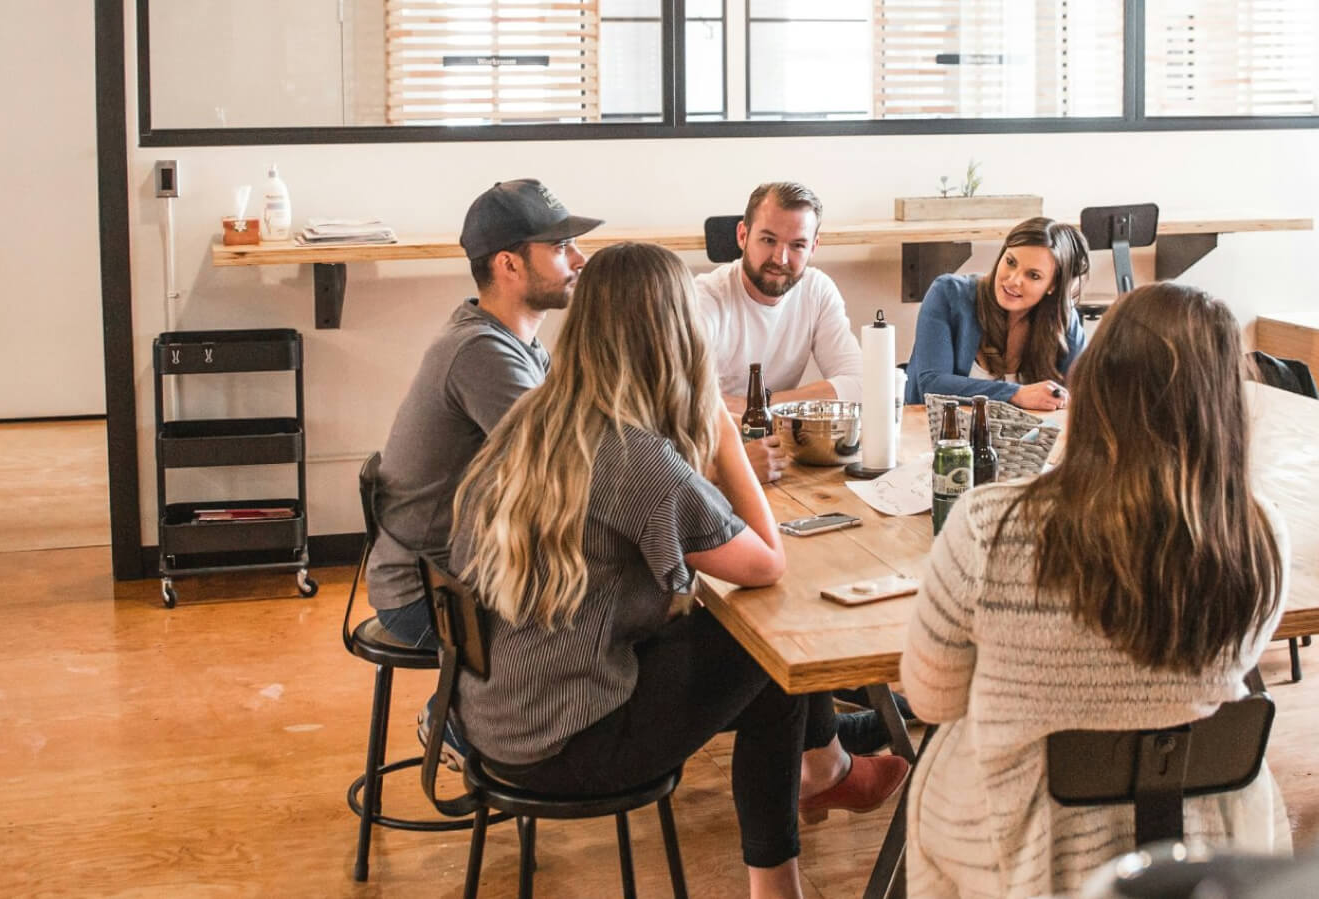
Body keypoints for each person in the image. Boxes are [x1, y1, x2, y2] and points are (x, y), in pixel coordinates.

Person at [448, 242, 910, 899]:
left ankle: (822, 777)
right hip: (570, 741)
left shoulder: (533, 420)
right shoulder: (637, 457)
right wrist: (722, 431)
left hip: (496, 715)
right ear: (677, 337)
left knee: (748, 642)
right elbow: (765, 560)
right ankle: (794, 844)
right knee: (768, 642)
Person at [902, 282, 1292, 899]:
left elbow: (930, 698)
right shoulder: (1258, 532)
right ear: (1224, 402)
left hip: (1022, 842)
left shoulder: (989, 523)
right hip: (1204, 834)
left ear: (1093, 383)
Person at [363, 179, 599, 649]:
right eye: (560, 246)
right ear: (508, 264)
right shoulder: (481, 353)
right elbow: (569, 467)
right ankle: (461, 721)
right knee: (615, 622)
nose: (579, 260)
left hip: (462, 577)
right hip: (432, 599)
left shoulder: (516, 345)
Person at [694, 182, 864, 485]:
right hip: (713, 460)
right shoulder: (705, 299)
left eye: (797, 245)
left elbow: (859, 385)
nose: (780, 258)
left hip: (782, 459)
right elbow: (688, 404)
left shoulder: (817, 290)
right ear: (743, 235)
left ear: (813, 247)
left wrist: (762, 409)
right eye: (768, 240)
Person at [904, 216, 1089, 410]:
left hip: (1028, 439)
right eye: (1010, 262)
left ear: (1053, 285)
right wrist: (1015, 394)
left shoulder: (1062, 318)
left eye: (1033, 275)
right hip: (934, 436)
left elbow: (1084, 393)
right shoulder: (948, 294)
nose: (1013, 280)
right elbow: (932, 385)